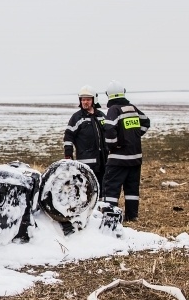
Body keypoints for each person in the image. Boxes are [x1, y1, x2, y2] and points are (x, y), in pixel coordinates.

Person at [101, 80, 150, 222]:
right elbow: (146, 122)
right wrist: (134, 136)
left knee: (110, 188)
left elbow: (109, 129)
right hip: (135, 158)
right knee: (132, 190)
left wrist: (112, 145)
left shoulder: (114, 109)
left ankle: (110, 217)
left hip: (118, 159)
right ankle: (132, 216)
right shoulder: (132, 108)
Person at [63, 85, 107, 195]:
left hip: (102, 162)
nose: (85, 102)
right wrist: (68, 154)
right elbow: (68, 136)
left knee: (102, 190)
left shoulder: (101, 116)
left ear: (94, 100)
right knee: (87, 191)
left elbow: (110, 133)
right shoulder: (77, 118)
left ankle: (100, 210)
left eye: (87, 99)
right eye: (83, 100)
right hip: (85, 163)